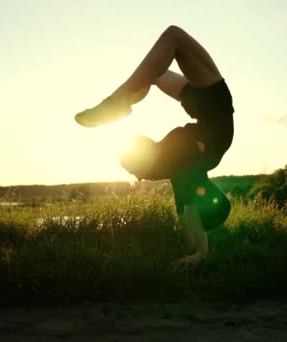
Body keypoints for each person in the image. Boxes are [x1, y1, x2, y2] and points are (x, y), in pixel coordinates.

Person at [75, 25, 234, 268]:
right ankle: (117, 102)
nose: (136, 177)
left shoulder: (174, 170)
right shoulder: (182, 169)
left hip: (203, 106)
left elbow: (186, 218)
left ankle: (123, 102)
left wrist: (191, 248)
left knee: (155, 73)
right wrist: (200, 254)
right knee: (173, 36)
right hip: (213, 105)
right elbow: (191, 215)